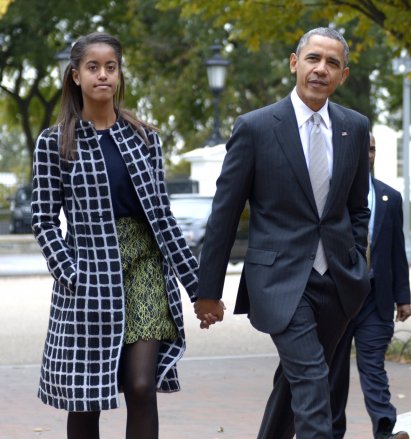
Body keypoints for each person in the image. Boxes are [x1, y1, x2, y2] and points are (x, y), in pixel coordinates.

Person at [194, 27, 371, 438]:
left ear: (343, 75)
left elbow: (357, 207)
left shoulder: (355, 127)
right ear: (295, 63)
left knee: (296, 385)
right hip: (279, 282)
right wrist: (208, 290)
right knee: (312, 384)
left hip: (339, 283)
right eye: (313, 59)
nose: (320, 69)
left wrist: (355, 262)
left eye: (332, 63)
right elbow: (225, 213)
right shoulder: (255, 128)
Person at [31, 32, 200, 439]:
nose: (103, 75)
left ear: (120, 74)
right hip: (89, 275)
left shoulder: (145, 138)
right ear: (75, 76)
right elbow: (43, 219)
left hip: (144, 267)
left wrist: (200, 287)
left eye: (111, 67)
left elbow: (162, 217)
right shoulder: (55, 143)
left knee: (141, 386)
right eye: (93, 67)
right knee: (87, 396)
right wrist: (70, 273)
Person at [329, 133, 411, 439]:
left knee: (373, 367)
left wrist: (403, 297)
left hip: (376, 300)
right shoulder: (331, 195)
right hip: (337, 300)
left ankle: (385, 431)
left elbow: (396, 252)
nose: (368, 154)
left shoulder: (390, 197)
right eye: (362, 149)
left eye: (372, 149)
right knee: (334, 375)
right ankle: (332, 432)